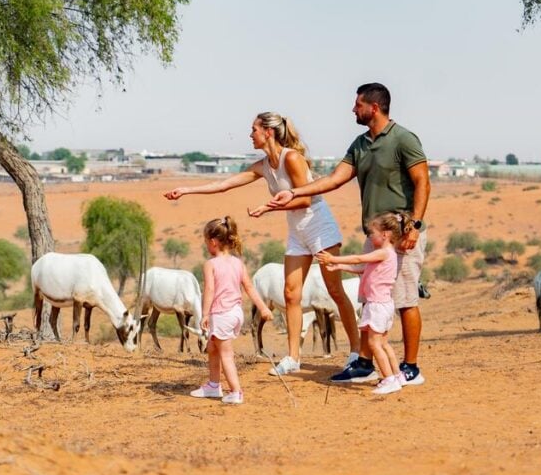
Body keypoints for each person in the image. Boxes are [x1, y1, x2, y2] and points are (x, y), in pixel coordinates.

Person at [165, 112, 360, 376]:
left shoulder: (291, 158)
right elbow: (225, 184)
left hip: (318, 227)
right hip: (297, 232)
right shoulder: (263, 165)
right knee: (291, 294)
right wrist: (187, 191)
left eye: (253, 130)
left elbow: (305, 199)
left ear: (268, 132)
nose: (250, 135)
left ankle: (356, 353)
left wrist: (268, 208)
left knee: (335, 291)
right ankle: (293, 357)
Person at [268, 83, 431, 385]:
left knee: (406, 299)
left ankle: (411, 367)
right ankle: (365, 363)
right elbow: (333, 179)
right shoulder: (360, 144)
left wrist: (415, 226)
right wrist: (293, 192)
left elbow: (422, 182)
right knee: (370, 297)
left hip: (404, 231)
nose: (353, 109)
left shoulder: (403, 139)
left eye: (358, 104)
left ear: (375, 107)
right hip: (377, 234)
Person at [317, 212, 410, 394]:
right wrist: (339, 267)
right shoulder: (385, 255)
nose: (370, 236)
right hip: (383, 304)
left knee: (374, 344)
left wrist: (333, 258)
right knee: (383, 343)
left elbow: (359, 259)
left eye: (372, 233)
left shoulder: (383, 252)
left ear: (385, 234)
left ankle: (389, 379)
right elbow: (362, 268)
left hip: (377, 305)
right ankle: (398, 376)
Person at [189, 216, 273, 405]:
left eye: (205, 241)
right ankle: (213, 385)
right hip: (235, 314)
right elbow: (249, 288)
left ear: (213, 242)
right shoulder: (238, 263)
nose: (206, 246)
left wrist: (205, 314)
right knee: (212, 347)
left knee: (225, 354)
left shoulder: (210, 264)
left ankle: (236, 391)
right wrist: (263, 308)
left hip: (221, 314)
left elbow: (209, 290)